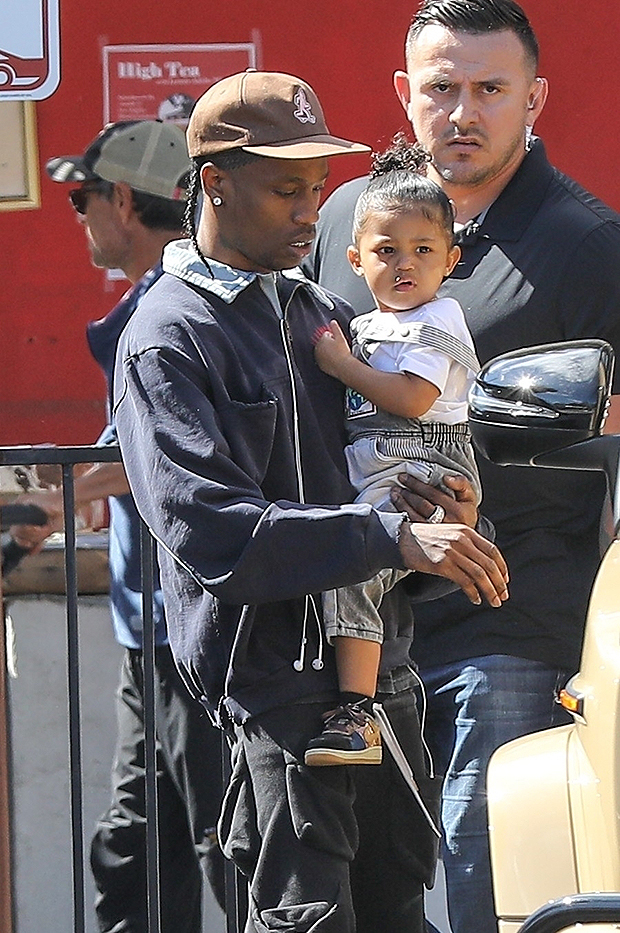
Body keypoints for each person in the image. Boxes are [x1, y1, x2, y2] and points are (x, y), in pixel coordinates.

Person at [111, 69, 509, 933]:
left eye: (318, 189)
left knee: (398, 907)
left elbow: (386, 494)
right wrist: (391, 536)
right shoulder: (167, 336)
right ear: (213, 183)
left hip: (383, 675)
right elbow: (212, 534)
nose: (309, 211)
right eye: (288, 188)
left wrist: (444, 517)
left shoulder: (319, 311)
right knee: (311, 919)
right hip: (274, 696)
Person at [304, 2, 620, 931]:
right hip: (358, 613)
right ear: (405, 95)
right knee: (370, 889)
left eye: (491, 89)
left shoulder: (585, 242)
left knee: (488, 877)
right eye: (441, 88)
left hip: (506, 611)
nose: (464, 112)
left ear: (535, 98)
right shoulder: (342, 222)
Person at [13, 120, 225, 933]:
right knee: (137, 850)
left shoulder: (176, 308)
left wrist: (55, 498)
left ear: (126, 200)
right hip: (151, 634)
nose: (78, 216)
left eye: (82, 197)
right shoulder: (162, 302)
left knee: (222, 847)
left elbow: (160, 455)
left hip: (195, 632)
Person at [305, 137, 481, 768]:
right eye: (386, 251)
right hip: (375, 464)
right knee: (336, 554)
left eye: (423, 250)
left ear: (451, 259)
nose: (404, 265)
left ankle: (358, 714)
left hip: (423, 465)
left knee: (357, 559)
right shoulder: (366, 323)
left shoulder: (440, 320)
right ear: (354, 258)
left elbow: (410, 398)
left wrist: (339, 365)